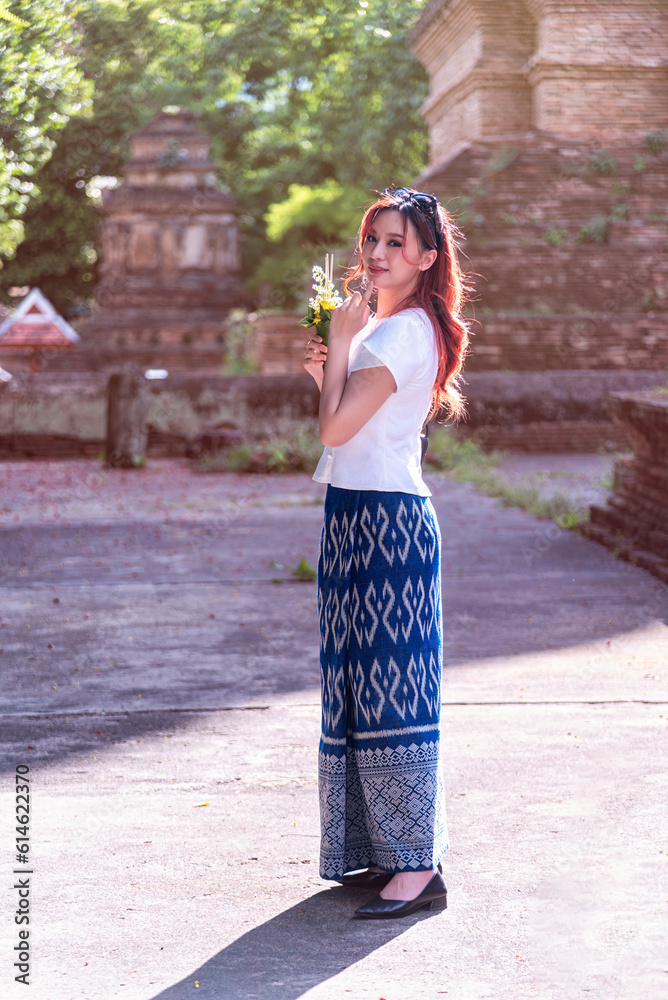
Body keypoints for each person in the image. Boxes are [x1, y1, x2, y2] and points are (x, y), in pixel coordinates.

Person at [302, 186, 470, 919]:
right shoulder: (391, 325)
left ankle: (416, 867)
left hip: (388, 523)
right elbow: (340, 420)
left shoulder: (402, 332)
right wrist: (329, 367)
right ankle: (375, 851)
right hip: (354, 513)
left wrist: (341, 345)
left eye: (395, 243)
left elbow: (334, 433)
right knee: (354, 686)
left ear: (427, 257)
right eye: (372, 239)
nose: (375, 254)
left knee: (394, 693)